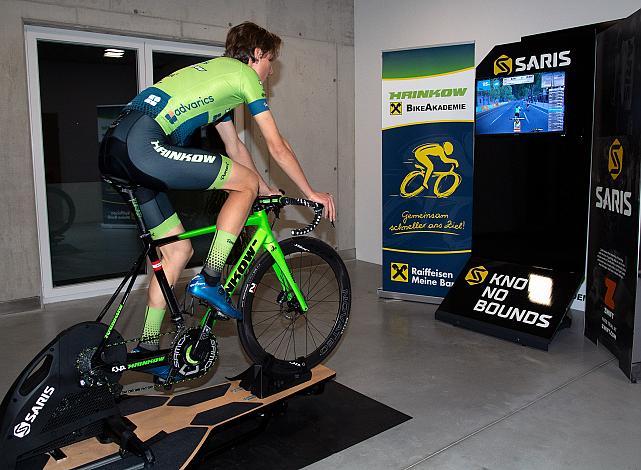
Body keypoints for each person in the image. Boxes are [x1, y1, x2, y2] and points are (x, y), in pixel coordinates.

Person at [99, 22, 336, 365]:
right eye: (270, 60)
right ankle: (211, 278)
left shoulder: (216, 77)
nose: (270, 71)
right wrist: (310, 191)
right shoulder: (244, 76)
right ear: (257, 55)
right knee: (244, 184)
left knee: (176, 252)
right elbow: (276, 145)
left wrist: (267, 189)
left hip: (117, 147)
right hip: (143, 146)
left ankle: (149, 347)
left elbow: (234, 146)